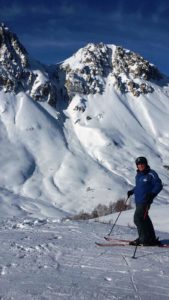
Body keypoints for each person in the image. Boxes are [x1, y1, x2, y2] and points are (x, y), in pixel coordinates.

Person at [127, 156, 163, 246]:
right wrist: (132, 191)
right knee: (144, 219)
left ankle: (143, 239)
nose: (140, 166)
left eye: (142, 164)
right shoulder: (138, 175)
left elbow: (159, 185)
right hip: (138, 201)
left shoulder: (151, 173)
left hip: (145, 201)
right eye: (138, 165)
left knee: (137, 219)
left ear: (146, 164)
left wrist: (152, 194)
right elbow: (139, 187)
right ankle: (151, 238)